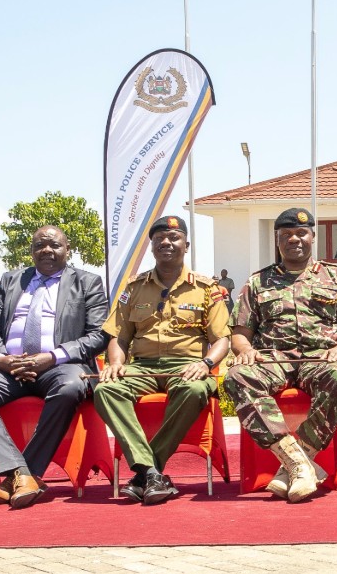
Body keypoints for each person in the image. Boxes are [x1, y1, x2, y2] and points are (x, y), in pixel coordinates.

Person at [226, 208, 337, 503]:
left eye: (301, 233)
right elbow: (239, 331)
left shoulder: (336, 276)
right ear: (277, 240)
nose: (295, 239)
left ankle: (293, 466)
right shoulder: (258, 282)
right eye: (286, 235)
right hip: (273, 359)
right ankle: (297, 463)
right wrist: (246, 351)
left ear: (312, 237)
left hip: (321, 358)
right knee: (237, 376)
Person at [0, 226, 109, 508]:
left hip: (61, 366)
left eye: (54, 245)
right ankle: (21, 475)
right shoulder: (10, 280)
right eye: (40, 245)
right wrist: (1, 359)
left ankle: (19, 475)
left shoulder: (87, 282)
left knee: (72, 386)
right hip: (10, 368)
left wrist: (52, 357)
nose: (47, 250)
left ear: (67, 249)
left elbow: (99, 335)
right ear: (31, 250)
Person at [93, 216, 231, 504]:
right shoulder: (134, 288)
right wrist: (116, 363)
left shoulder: (207, 289)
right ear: (152, 246)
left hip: (187, 366)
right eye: (159, 240)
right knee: (105, 390)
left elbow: (221, 340)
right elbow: (118, 336)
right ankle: (152, 472)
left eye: (173, 238)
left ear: (186, 244)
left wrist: (205, 365)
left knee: (194, 389)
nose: (166, 243)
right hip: (141, 367)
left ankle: (145, 471)